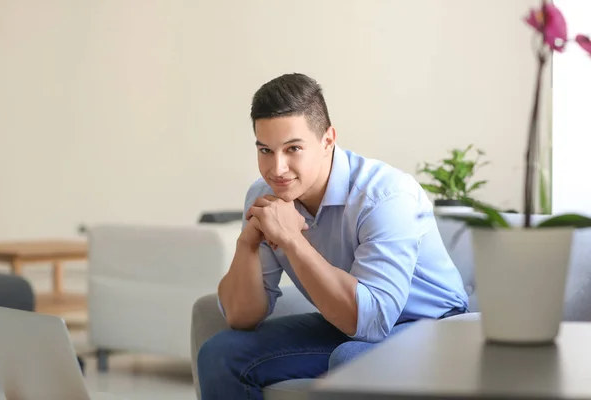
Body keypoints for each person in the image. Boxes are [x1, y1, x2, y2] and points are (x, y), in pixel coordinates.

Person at [197, 73, 468, 399]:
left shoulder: (385, 195)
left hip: (432, 327)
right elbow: (242, 317)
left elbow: (372, 323)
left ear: (328, 141)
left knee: (351, 359)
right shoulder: (264, 196)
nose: (277, 168)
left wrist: (292, 240)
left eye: (293, 148)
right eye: (265, 150)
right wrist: (248, 242)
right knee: (221, 353)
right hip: (342, 321)